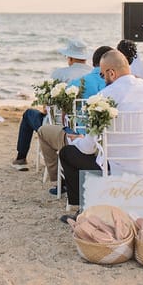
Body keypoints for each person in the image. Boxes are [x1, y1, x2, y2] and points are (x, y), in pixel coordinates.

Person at [59, 50, 143, 222]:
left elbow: (89, 148)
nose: (103, 79)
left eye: (103, 74)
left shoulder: (105, 97)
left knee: (68, 153)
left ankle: (84, 209)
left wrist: (78, 141)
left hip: (121, 169)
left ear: (112, 72)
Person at [36, 46, 111, 192]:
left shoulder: (78, 82)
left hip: (81, 138)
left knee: (43, 131)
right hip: (110, 140)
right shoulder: (116, 86)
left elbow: (64, 115)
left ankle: (60, 180)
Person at [11, 39, 93, 169]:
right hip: (88, 129)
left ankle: (21, 159)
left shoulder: (59, 73)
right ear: (85, 58)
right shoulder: (94, 74)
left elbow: (47, 106)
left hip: (59, 127)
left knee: (28, 114)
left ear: (70, 58)